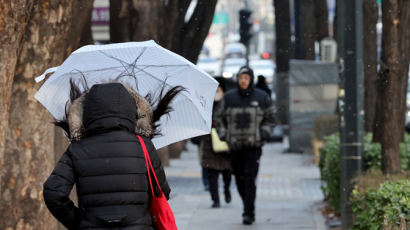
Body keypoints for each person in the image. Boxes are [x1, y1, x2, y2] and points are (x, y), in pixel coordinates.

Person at [43, 82, 182, 229]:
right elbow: (162, 192)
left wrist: (79, 222)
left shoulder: (77, 149)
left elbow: (53, 193)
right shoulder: (143, 146)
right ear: (131, 110)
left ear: (87, 112)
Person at [214, 66, 275, 225]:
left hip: (253, 147)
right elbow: (218, 118)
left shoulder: (261, 97)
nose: (243, 81)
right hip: (235, 146)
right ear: (238, 79)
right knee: (239, 179)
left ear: (251, 79)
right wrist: (224, 135)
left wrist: (263, 135)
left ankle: (249, 212)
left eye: (246, 78)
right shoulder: (229, 98)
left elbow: (271, 118)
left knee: (250, 180)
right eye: (241, 78)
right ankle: (247, 205)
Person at [200, 77, 232, 208]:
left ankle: (226, 189)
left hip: (225, 141)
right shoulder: (206, 105)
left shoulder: (229, 105)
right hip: (209, 144)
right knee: (212, 173)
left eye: (219, 90)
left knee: (227, 172)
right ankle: (215, 199)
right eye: (215, 90)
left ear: (224, 91)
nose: (217, 93)